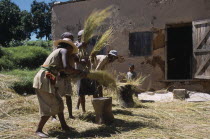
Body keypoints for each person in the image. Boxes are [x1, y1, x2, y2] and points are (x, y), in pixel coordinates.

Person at [33, 35, 86, 138]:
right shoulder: (64, 51)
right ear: (68, 47)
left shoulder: (57, 53)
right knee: (50, 105)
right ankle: (38, 130)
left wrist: (77, 74)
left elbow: (62, 72)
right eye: (71, 49)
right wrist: (80, 71)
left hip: (48, 77)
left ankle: (64, 126)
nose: (71, 52)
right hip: (44, 78)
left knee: (59, 102)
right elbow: (67, 68)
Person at [51, 32, 76, 120]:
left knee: (68, 96)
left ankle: (70, 115)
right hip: (58, 77)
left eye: (72, 39)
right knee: (56, 98)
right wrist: (76, 71)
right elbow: (62, 66)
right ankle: (53, 116)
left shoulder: (70, 52)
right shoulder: (60, 51)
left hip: (67, 77)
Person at [75, 30, 95, 113]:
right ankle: (83, 111)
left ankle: (97, 108)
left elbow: (92, 58)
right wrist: (81, 61)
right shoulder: (76, 45)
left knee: (93, 90)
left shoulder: (90, 46)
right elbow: (74, 54)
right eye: (83, 37)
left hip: (88, 71)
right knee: (81, 92)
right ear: (79, 37)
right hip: (80, 72)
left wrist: (90, 59)